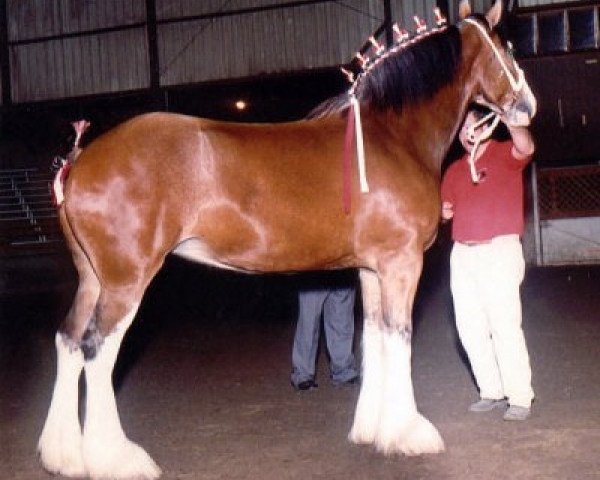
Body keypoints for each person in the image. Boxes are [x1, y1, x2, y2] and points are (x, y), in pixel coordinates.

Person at [440, 106, 535, 421]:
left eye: (474, 124)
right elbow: (445, 211)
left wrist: (511, 121)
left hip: (499, 250)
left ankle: (519, 397)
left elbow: (526, 147)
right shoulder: (454, 170)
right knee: (469, 328)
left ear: (487, 126)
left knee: (504, 324)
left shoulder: (504, 153)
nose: (468, 131)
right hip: (463, 254)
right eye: (463, 125)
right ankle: (491, 391)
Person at [291, 271, 359, 391]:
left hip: (343, 266)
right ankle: (302, 374)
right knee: (309, 319)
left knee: (342, 317)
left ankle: (343, 371)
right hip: (315, 264)